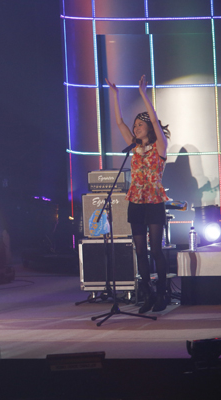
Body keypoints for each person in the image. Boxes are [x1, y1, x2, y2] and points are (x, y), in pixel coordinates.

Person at [106, 75, 171, 313]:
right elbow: (119, 122)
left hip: (154, 201)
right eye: (135, 126)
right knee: (140, 251)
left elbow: (153, 120)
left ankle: (162, 293)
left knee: (156, 250)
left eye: (139, 125)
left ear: (149, 129)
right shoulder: (134, 147)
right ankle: (148, 294)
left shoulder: (160, 147)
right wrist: (115, 95)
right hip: (135, 201)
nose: (135, 128)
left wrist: (144, 94)